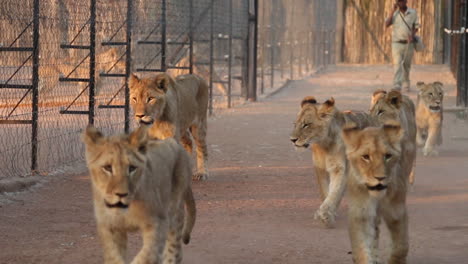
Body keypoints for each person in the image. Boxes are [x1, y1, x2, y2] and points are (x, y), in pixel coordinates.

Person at [385, 0, 420, 91]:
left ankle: (406, 83)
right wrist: (392, 11)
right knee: (397, 64)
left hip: (408, 43)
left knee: (406, 65)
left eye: (402, 1)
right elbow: (387, 24)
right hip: (396, 43)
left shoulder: (413, 13)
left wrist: (411, 36)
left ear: (406, 2)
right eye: (398, 2)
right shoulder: (395, 14)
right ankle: (397, 84)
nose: (400, 3)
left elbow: (416, 27)